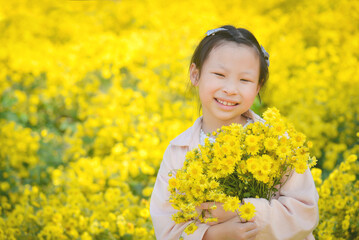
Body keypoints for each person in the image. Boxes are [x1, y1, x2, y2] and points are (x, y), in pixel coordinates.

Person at [150, 25, 319, 240]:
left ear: (258, 87)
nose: (230, 89)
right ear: (195, 75)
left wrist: (241, 211)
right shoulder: (177, 151)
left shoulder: (278, 143)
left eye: (245, 80)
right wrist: (212, 235)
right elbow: (166, 226)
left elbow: (305, 213)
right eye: (220, 74)